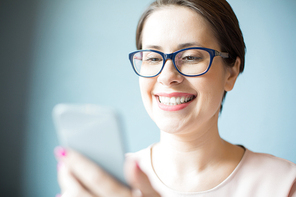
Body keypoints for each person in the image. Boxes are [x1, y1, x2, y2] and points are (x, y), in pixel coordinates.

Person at [54, 0, 296, 196]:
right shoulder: (108, 182)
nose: (167, 76)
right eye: (152, 57)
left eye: (190, 57)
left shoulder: (285, 184)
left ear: (230, 72)